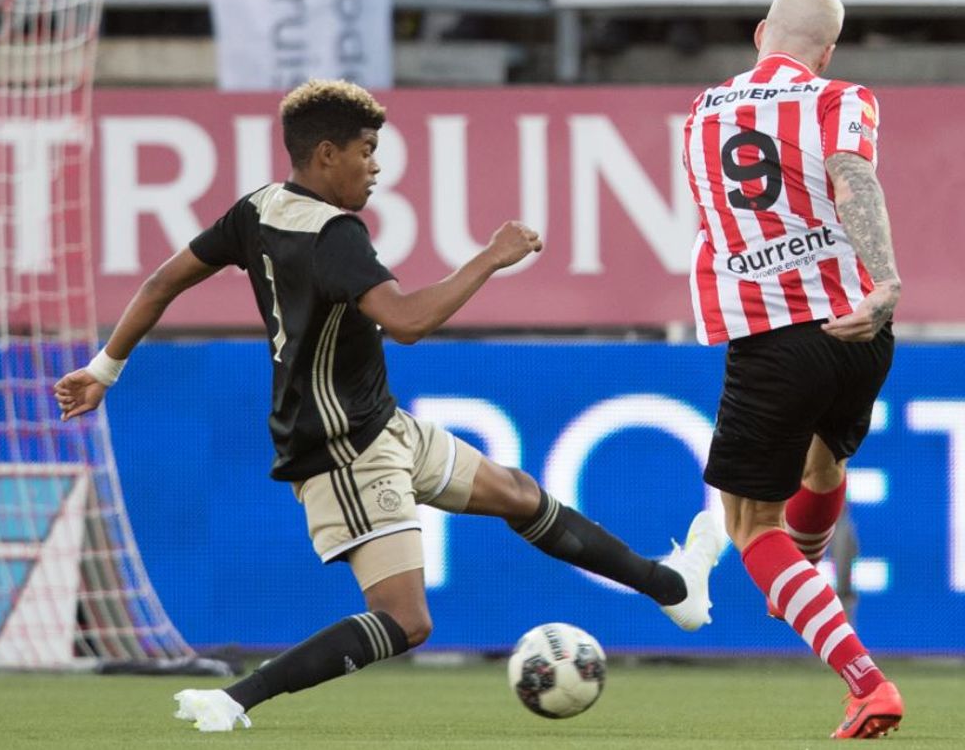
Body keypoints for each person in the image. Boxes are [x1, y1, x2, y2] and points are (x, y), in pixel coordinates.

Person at [55, 79, 723, 732]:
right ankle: (233, 700)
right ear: (326, 154)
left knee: (518, 493)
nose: (375, 167)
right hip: (342, 447)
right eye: (366, 151)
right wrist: (490, 257)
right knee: (407, 620)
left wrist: (103, 369)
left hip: (379, 423)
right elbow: (404, 320)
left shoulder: (257, 209)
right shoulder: (334, 235)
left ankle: (673, 591)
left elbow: (161, 282)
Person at [682, 0, 904, 739]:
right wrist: (886, 284)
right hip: (859, 332)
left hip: (775, 337)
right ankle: (802, 576)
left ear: (759, 34)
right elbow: (855, 179)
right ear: (829, 51)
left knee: (751, 526)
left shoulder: (702, 115)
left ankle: (867, 683)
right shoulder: (844, 98)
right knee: (822, 466)